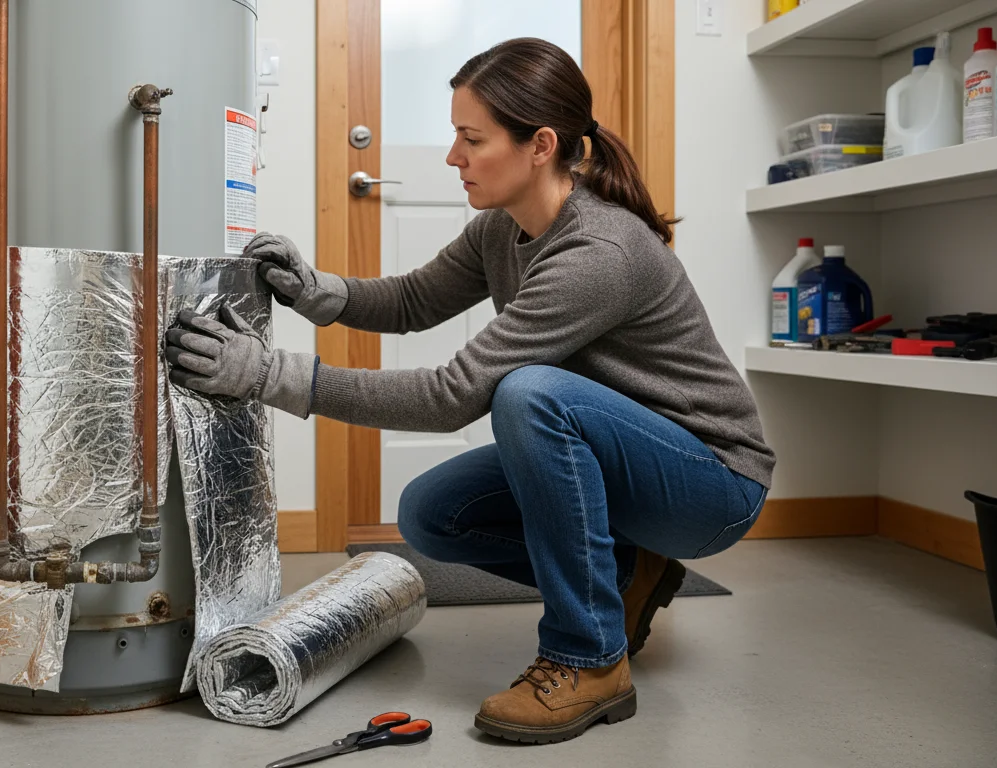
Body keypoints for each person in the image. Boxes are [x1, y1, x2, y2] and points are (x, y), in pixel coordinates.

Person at [164, 37, 775, 744]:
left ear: (540, 144)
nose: (452, 157)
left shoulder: (598, 252)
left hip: (712, 485)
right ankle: (628, 569)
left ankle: (589, 658)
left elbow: (452, 395)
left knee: (529, 395)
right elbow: (414, 299)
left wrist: (269, 375)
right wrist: (319, 291)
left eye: (470, 139)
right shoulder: (502, 229)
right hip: (633, 464)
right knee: (433, 515)